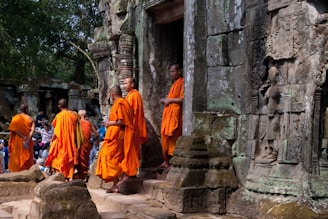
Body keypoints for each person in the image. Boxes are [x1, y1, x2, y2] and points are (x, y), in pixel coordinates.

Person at [96, 85, 139, 193]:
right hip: (113, 136)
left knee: (109, 157)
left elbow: (122, 121)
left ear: (112, 94)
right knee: (112, 158)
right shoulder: (120, 103)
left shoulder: (121, 103)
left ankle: (123, 177)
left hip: (117, 136)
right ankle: (116, 184)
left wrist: (109, 123)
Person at [45, 98, 80, 181]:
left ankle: (60, 175)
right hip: (70, 142)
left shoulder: (59, 116)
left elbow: (56, 131)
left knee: (59, 158)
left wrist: (51, 140)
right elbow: (76, 129)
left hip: (60, 142)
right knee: (68, 158)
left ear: (59, 106)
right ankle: (68, 176)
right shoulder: (73, 116)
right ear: (67, 105)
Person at [159, 63, 184, 169]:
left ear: (179, 71)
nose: (171, 74)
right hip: (169, 116)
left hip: (175, 117)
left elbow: (182, 99)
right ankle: (166, 162)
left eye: (173, 71)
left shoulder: (182, 83)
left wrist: (169, 100)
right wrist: (166, 100)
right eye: (170, 72)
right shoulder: (174, 84)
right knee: (165, 139)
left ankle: (174, 163)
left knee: (173, 139)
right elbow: (173, 98)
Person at [123, 77, 147, 160]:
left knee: (132, 150)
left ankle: (133, 171)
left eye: (126, 83)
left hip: (133, 126)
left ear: (132, 84)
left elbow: (132, 112)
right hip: (130, 126)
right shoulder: (130, 95)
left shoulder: (135, 95)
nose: (124, 86)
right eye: (124, 84)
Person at [8, 103, 35, 172]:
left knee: (17, 157)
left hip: (18, 141)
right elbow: (32, 130)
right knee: (28, 158)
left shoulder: (15, 118)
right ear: (27, 109)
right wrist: (28, 138)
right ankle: (27, 173)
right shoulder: (30, 119)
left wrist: (23, 137)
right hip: (27, 142)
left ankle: (16, 172)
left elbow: (14, 130)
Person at [74, 110, 99, 180]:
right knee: (84, 160)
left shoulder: (76, 123)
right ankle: (83, 175)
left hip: (77, 145)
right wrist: (97, 142)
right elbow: (97, 134)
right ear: (85, 116)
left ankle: (78, 176)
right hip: (86, 145)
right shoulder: (89, 123)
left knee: (78, 160)